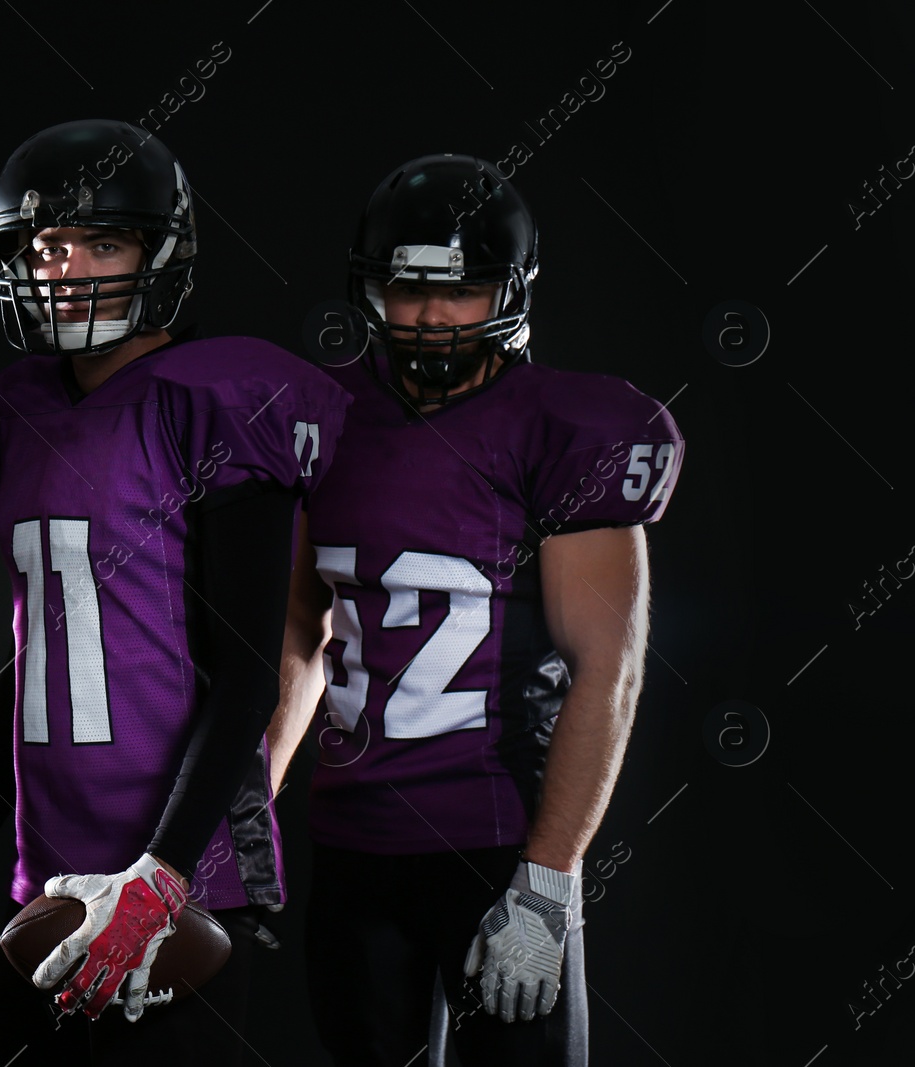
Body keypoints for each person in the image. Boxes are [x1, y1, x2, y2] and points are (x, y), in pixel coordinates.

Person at [0, 119, 351, 1065]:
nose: (67, 267)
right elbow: (41, 654)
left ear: (160, 253)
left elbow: (245, 674)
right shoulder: (21, 411)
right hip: (50, 877)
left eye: (102, 242)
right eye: (45, 246)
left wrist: (162, 878)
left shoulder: (215, 398)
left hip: (178, 881)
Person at [268, 154, 684, 1066]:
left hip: (495, 844)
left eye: (463, 291)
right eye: (405, 289)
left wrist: (549, 875)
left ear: (511, 290)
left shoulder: (563, 427)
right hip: (349, 846)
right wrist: (252, 795)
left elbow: (606, 668)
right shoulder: (318, 413)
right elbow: (305, 629)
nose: (429, 316)